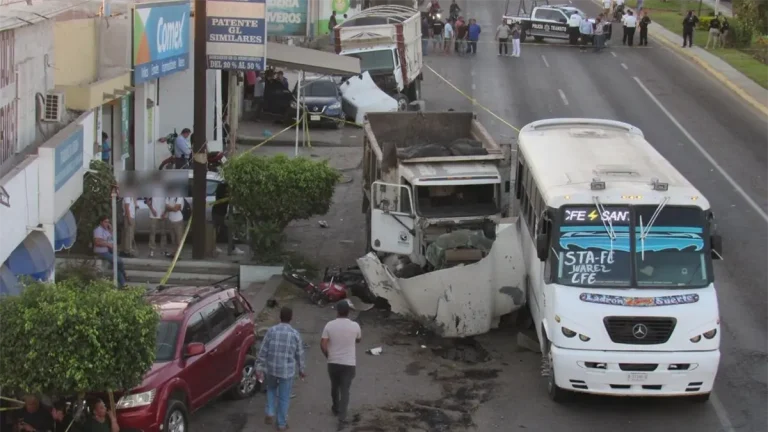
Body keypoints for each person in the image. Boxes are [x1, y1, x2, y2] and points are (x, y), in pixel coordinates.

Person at [256, 307, 306, 432]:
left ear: (280, 317)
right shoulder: (295, 334)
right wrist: (301, 369)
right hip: (286, 372)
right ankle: (281, 424)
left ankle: (270, 411)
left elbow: (263, 351)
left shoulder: (271, 331)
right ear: (291, 318)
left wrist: (259, 367)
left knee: (271, 389)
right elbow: (299, 354)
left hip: (271, 369)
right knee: (284, 397)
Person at [321, 300, 362, 429]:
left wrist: (328, 355)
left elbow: (323, 343)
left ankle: (335, 407)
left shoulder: (329, 325)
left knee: (334, 386)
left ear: (337, 311)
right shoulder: (355, 326)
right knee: (345, 390)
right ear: (348, 312)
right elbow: (359, 339)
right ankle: (342, 418)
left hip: (333, 362)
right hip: (348, 364)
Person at [93, 216, 126, 288]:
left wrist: (111, 230)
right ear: (101, 222)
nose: (107, 223)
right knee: (119, 261)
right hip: (102, 251)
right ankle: (123, 275)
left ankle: (123, 284)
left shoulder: (106, 230)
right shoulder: (98, 230)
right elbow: (97, 242)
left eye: (108, 222)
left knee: (116, 266)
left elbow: (112, 239)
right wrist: (108, 244)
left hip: (109, 251)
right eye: (105, 222)